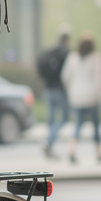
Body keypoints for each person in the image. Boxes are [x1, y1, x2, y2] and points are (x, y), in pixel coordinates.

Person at [62, 32, 101, 164]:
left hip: (76, 96)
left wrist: (70, 91)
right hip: (91, 96)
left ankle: (71, 150)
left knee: (78, 124)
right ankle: (98, 153)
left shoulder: (72, 57)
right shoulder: (96, 58)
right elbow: (99, 81)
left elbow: (65, 77)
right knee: (96, 125)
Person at [36, 27, 71, 158]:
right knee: (64, 118)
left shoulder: (50, 51)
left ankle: (49, 146)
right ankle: (48, 142)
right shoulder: (66, 52)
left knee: (51, 119)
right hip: (59, 90)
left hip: (48, 89)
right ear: (68, 39)